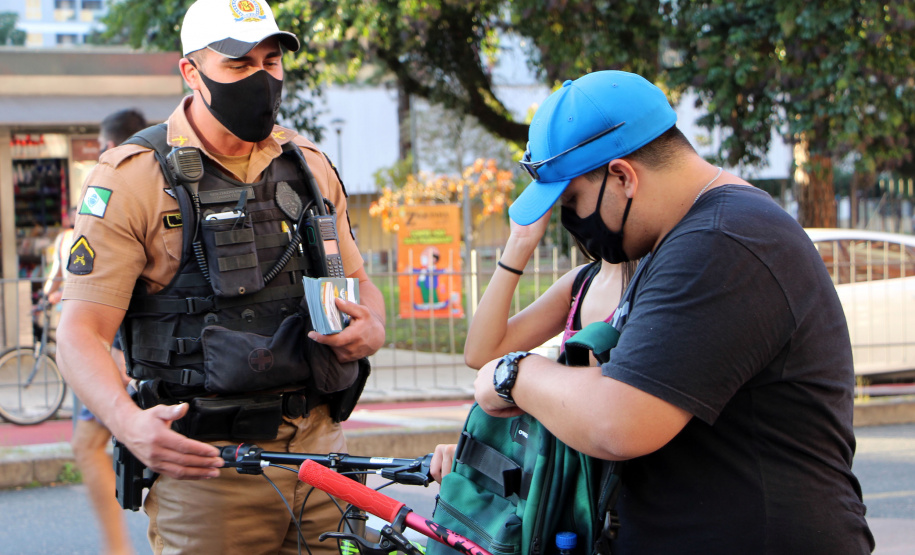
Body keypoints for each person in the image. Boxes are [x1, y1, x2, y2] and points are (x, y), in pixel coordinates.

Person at [465, 70, 874, 553]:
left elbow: (619, 420)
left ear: (622, 176)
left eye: (572, 201)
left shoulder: (721, 242)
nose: (572, 222)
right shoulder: (690, 238)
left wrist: (514, 373)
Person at [55, 0, 386, 553]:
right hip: (208, 472)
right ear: (192, 71)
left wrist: (372, 325)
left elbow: (360, 285)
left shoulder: (308, 164)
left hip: (324, 454)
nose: (260, 78)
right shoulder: (134, 177)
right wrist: (128, 426)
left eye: (271, 61)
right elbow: (79, 333)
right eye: (238, 65)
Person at [66, 108, 147, 555]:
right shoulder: (163, 178)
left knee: (88, 443)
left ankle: (117, 549)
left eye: (100, 146)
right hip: (134, 338)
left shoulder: (109, 185)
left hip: (111, 338)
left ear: (111, 146)